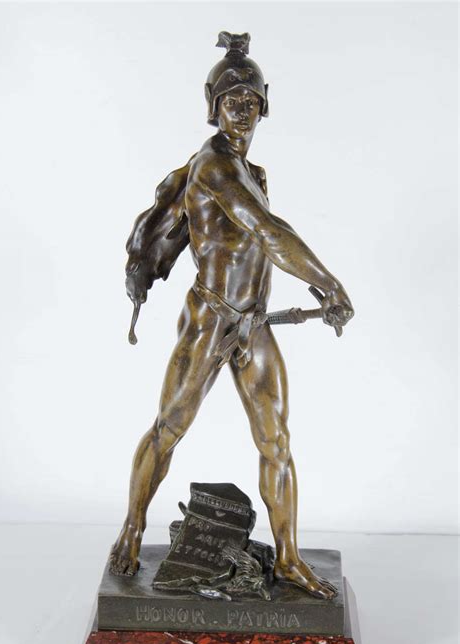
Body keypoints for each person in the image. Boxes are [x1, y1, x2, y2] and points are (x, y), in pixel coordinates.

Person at [110, 32, 354, 599]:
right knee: (169, 427)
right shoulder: (214, 166)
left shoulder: (253, 172)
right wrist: (328, 283)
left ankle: (288, 558)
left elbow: (263, 241)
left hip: (254, 324)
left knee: (276, 441)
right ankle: (131, 528)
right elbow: (268, 233)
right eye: (231, 101)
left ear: (264, 106)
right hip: (210, 319)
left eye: (250, 101)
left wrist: (316, 289)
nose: (241, 111)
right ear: (212, 105)